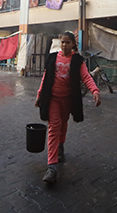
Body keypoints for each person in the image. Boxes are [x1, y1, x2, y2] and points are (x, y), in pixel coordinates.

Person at [35, 32, 101, 184]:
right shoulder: (52, 58)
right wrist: (39, 94)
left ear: (73, 45)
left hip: (68, 100)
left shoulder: (78, 61)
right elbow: (46, 77)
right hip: (53, 99)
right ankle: (52, 167)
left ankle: (61, 146)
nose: (64, 45)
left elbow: (86, 77)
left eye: (67, 42)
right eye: (62, 42)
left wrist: (95, 91)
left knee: (63, 123)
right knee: (53, 127)